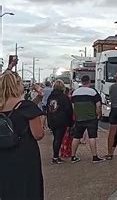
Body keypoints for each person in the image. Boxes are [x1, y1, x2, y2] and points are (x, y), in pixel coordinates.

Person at [0, 69, 45, 199]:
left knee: (8, 189)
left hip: (3, 155)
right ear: (17, 85)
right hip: (25, 155)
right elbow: (38, 134)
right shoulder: (27, 107)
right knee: (27, 189)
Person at [70, 75, 104, 163]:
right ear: (89, 81)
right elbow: (98, 105)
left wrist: (76, 115)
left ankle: (73, 156)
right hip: (91, 118)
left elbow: (73, 106)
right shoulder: (93, 92)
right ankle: (94, 157)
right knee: (92, 137)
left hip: (79, 118)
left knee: (76, 137)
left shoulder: (75, 93)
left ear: (81, 81)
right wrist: (98, 114)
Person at [46, 80, 74, 164]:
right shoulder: (63, 97)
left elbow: (48, 109)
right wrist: (70, 122)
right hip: (61, 120)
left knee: (56, 138)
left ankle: (56, 156)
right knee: (59, 138)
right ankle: (55, 157)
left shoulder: (50, 97)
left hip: (52, 120)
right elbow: (68, 110)